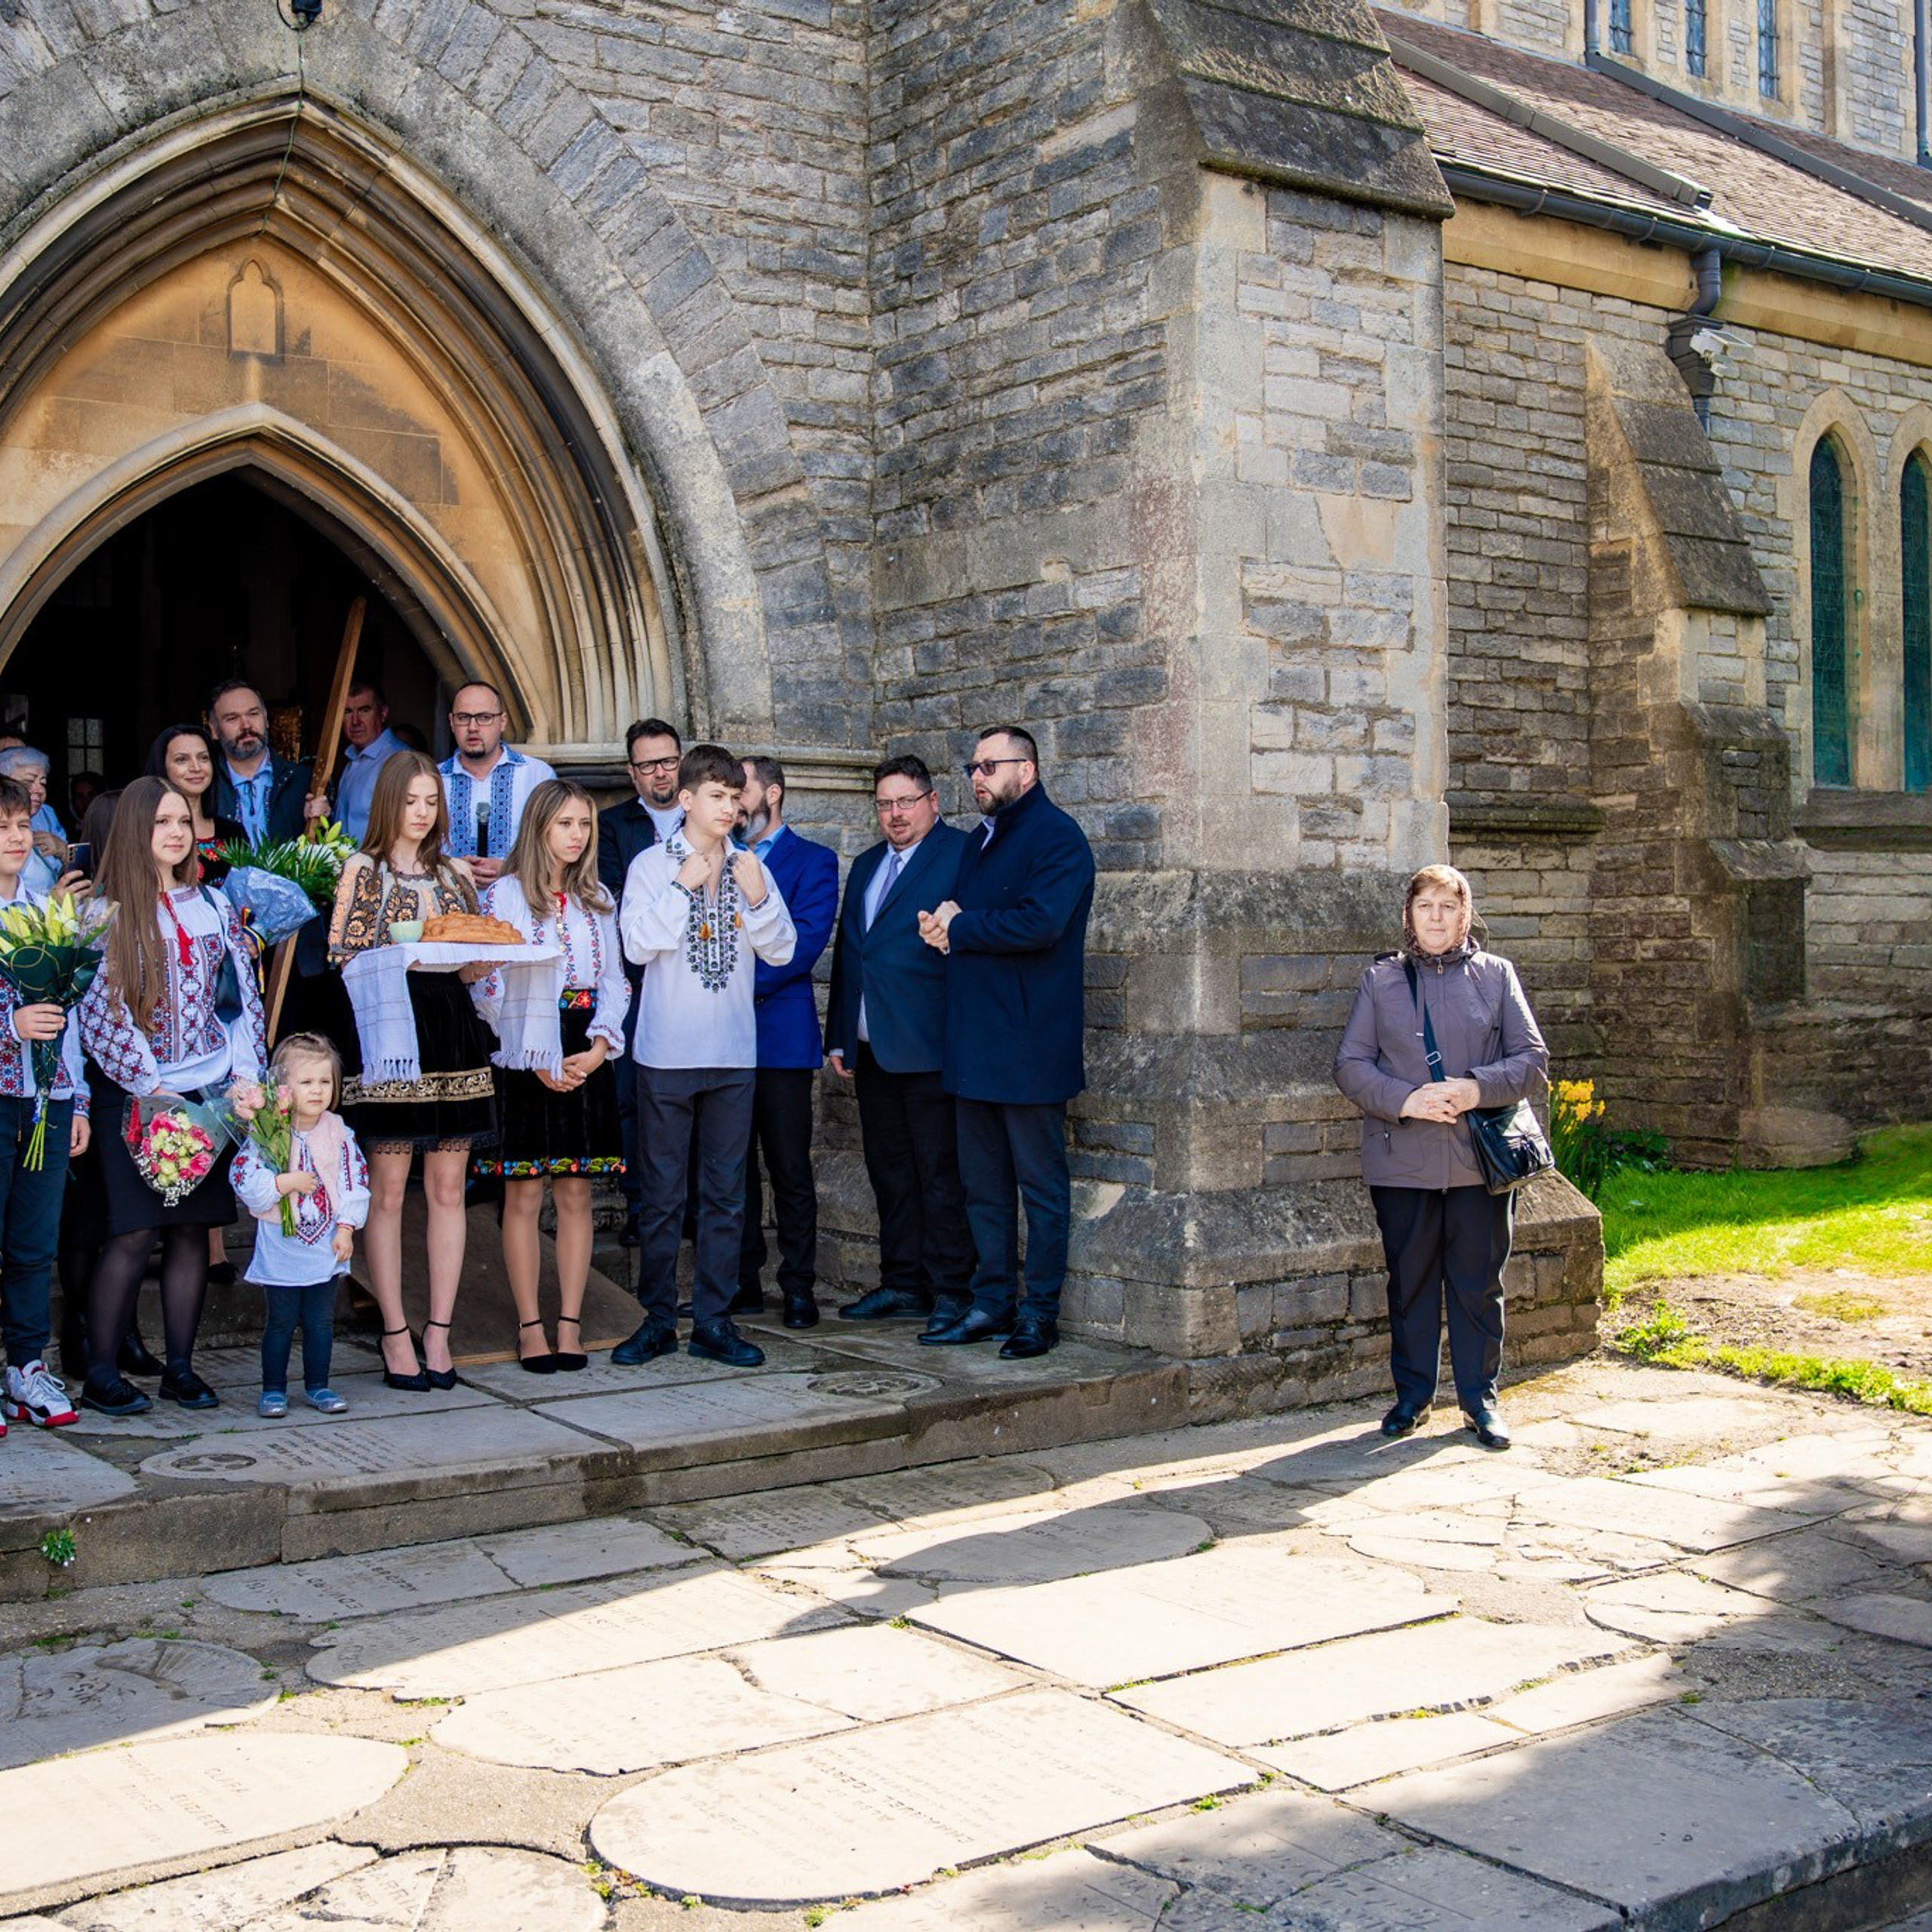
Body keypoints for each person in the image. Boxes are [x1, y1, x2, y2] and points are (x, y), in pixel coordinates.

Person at [1333, 864, 1549, 1451]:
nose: (1435, 917)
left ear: (1465, 915)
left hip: (1481, 1163)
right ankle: (1413, 1396)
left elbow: (1531, 1060)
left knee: (1479, 1284)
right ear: (1409, 915)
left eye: (1447, 907)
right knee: (1411, 1283)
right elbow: (1351, 1066)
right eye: (1424, 905)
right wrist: (1407, 1100)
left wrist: (1476, 1088)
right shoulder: (1380, 982)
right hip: (1402, 1159)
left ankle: (1481, 1399)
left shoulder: (1496, 976)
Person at [75, 777, 267, 1417]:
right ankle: (101, 1372)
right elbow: (100, 1011)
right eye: (162, 822)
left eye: (182, 820)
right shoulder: (106, 914)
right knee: (132, 1234)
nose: (177, 832)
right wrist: (148, 1084)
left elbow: (240, 1002)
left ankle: (181, 1369)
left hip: (207, 1092)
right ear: (136, 831)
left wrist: (245, 1078)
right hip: (136, 1092)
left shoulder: (213, 905)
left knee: (191, 1231)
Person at [614, 744, 795, 1371]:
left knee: (726, 1196)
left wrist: (760, 900)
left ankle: (714, 1321)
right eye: (717, 795)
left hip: (733, 1055)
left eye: (736, 794)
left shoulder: (752, 868)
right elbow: (636, 947)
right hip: (665, 1055)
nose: (731, 805)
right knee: (663, 1197)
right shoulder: (648, 865)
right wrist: (680, 887)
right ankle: (659, 1319)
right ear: (687, 799)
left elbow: (782, 950)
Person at [918, 726, 1094, 1360]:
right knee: (983, 1187)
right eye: (973, 767)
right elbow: (971, 919)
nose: (978, 777)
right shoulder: (984, 840)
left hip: (1029, 1044)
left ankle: (1038, 1313)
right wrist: (944, 928)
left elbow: (1041, 923)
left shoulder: (1058, 838)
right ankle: (991, 1302)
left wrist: (963, 927)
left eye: (990, 766)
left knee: (1040, 1189)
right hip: (974, 1043)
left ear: (1030, 768)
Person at [328, 750, 497, 1393]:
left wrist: (477, 965)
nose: (422, 814)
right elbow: (341, 955)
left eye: (431, 803)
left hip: (451, 1027)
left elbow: (471, 951)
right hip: (390, 1027)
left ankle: (441, 1331)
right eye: (411, 803)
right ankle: (395, 1328)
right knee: (391, 1188)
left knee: (450, 1187)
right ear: (388, 804)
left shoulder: (455, 873)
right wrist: (406, 954)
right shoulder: (362, 870)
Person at [474, 780, 628, 1373]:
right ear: (539, 827)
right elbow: (491, 989)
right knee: (523, 1191)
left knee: (575, 1190)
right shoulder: (506, 897)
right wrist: (533, 1054)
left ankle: (570, 1321)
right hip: (525, 1046)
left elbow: (615, 980)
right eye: (565, 824)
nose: (576, 835)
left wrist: (598, 1048)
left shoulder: (598, 899)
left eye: (584, 825)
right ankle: (529, 1325)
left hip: (583, 1045)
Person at [825, 755, 972, 1325]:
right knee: (890, 1172)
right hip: (871, 1049)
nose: (895, 814)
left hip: (931, 1044)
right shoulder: (864, 865)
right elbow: (851, 953)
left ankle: (952, 1291)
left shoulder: (960, 855)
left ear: (933, 802)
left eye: (905, 801)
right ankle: (902, 1282)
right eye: (885, 804)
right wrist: (840, 1033)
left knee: (941, 1173)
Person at [734, 755, 838, 1329]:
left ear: (772, 793)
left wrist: (725, 984)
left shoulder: (815, 862)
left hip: (779, 1038)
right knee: (730, 1170)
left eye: (741, 789)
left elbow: (802, 946)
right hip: (721, 1041)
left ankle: (799, 1286)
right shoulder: (715, 858)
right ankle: (740, 1283)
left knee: (790, 1168)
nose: (733, 802)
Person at [0, 776, 90, 1432]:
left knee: (34, 1244)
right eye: (0, 828)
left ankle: (25, 1364)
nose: (13, 839)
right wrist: (10, 1027)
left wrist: (78, 1096)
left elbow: (73, 1015)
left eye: (20, 829)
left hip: (49, 1099)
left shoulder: (46, 911)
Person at [230, 1034, 368, 1419]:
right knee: (282, 1319)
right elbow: (242, 1174)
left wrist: (346, 1227)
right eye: (307, 1082)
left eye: (325, 1082)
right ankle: (273, 1389)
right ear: (283, 1087)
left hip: (324, 1240)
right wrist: (282, 1184)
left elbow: (353, 1178)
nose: (318, 1090)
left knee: (320, 1319)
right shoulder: (268, 1130)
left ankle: (318, 1385)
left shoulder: (338, 1132)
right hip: (283, 1240)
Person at [597, 718, 683, 1244]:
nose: (660, 773)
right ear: (632, 773)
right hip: (634, 978)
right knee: (630, 1095)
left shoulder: (709, 816)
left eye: (668, 761)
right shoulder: (612, 825)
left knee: (690, 1096)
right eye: (648, 764)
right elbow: (613, 895)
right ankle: (641, 1205)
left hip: (694, 982)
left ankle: (686, 1205)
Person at [438, 681, 555, 890]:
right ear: (451, 722)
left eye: (484, 717)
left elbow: (555, 848)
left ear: (502, 722)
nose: (473, 727)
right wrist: (452, 867)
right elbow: (414, 851)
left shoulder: (536, 775)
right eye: (463, 718)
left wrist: (509, 867)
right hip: (451, 912)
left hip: (520, 909)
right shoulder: (434, 780)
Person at [207, 681, 324, 845]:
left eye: (253, 714)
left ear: (266, 718)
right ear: (214, 729)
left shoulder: (304, 781)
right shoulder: (205, 786)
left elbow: (326, 852)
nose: (246, 725)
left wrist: (320, 823)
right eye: (232, 718)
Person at [144, 724, 242, 886]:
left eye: (203, 758)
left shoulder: (232, 832)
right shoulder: (147, 830)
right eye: (182, 759)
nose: (196, 768)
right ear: (162, 766)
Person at [332, 681, 404, 844]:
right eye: (348, 712)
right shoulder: (352, 759)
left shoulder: (398, 761)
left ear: (383, 713)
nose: (355, 721)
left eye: (365, 710)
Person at [0, 746, 70, 896]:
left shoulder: (47, 814)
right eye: (28, 783)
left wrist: (63, 849)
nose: (39, 790)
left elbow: (70, 867)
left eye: (43, 783)